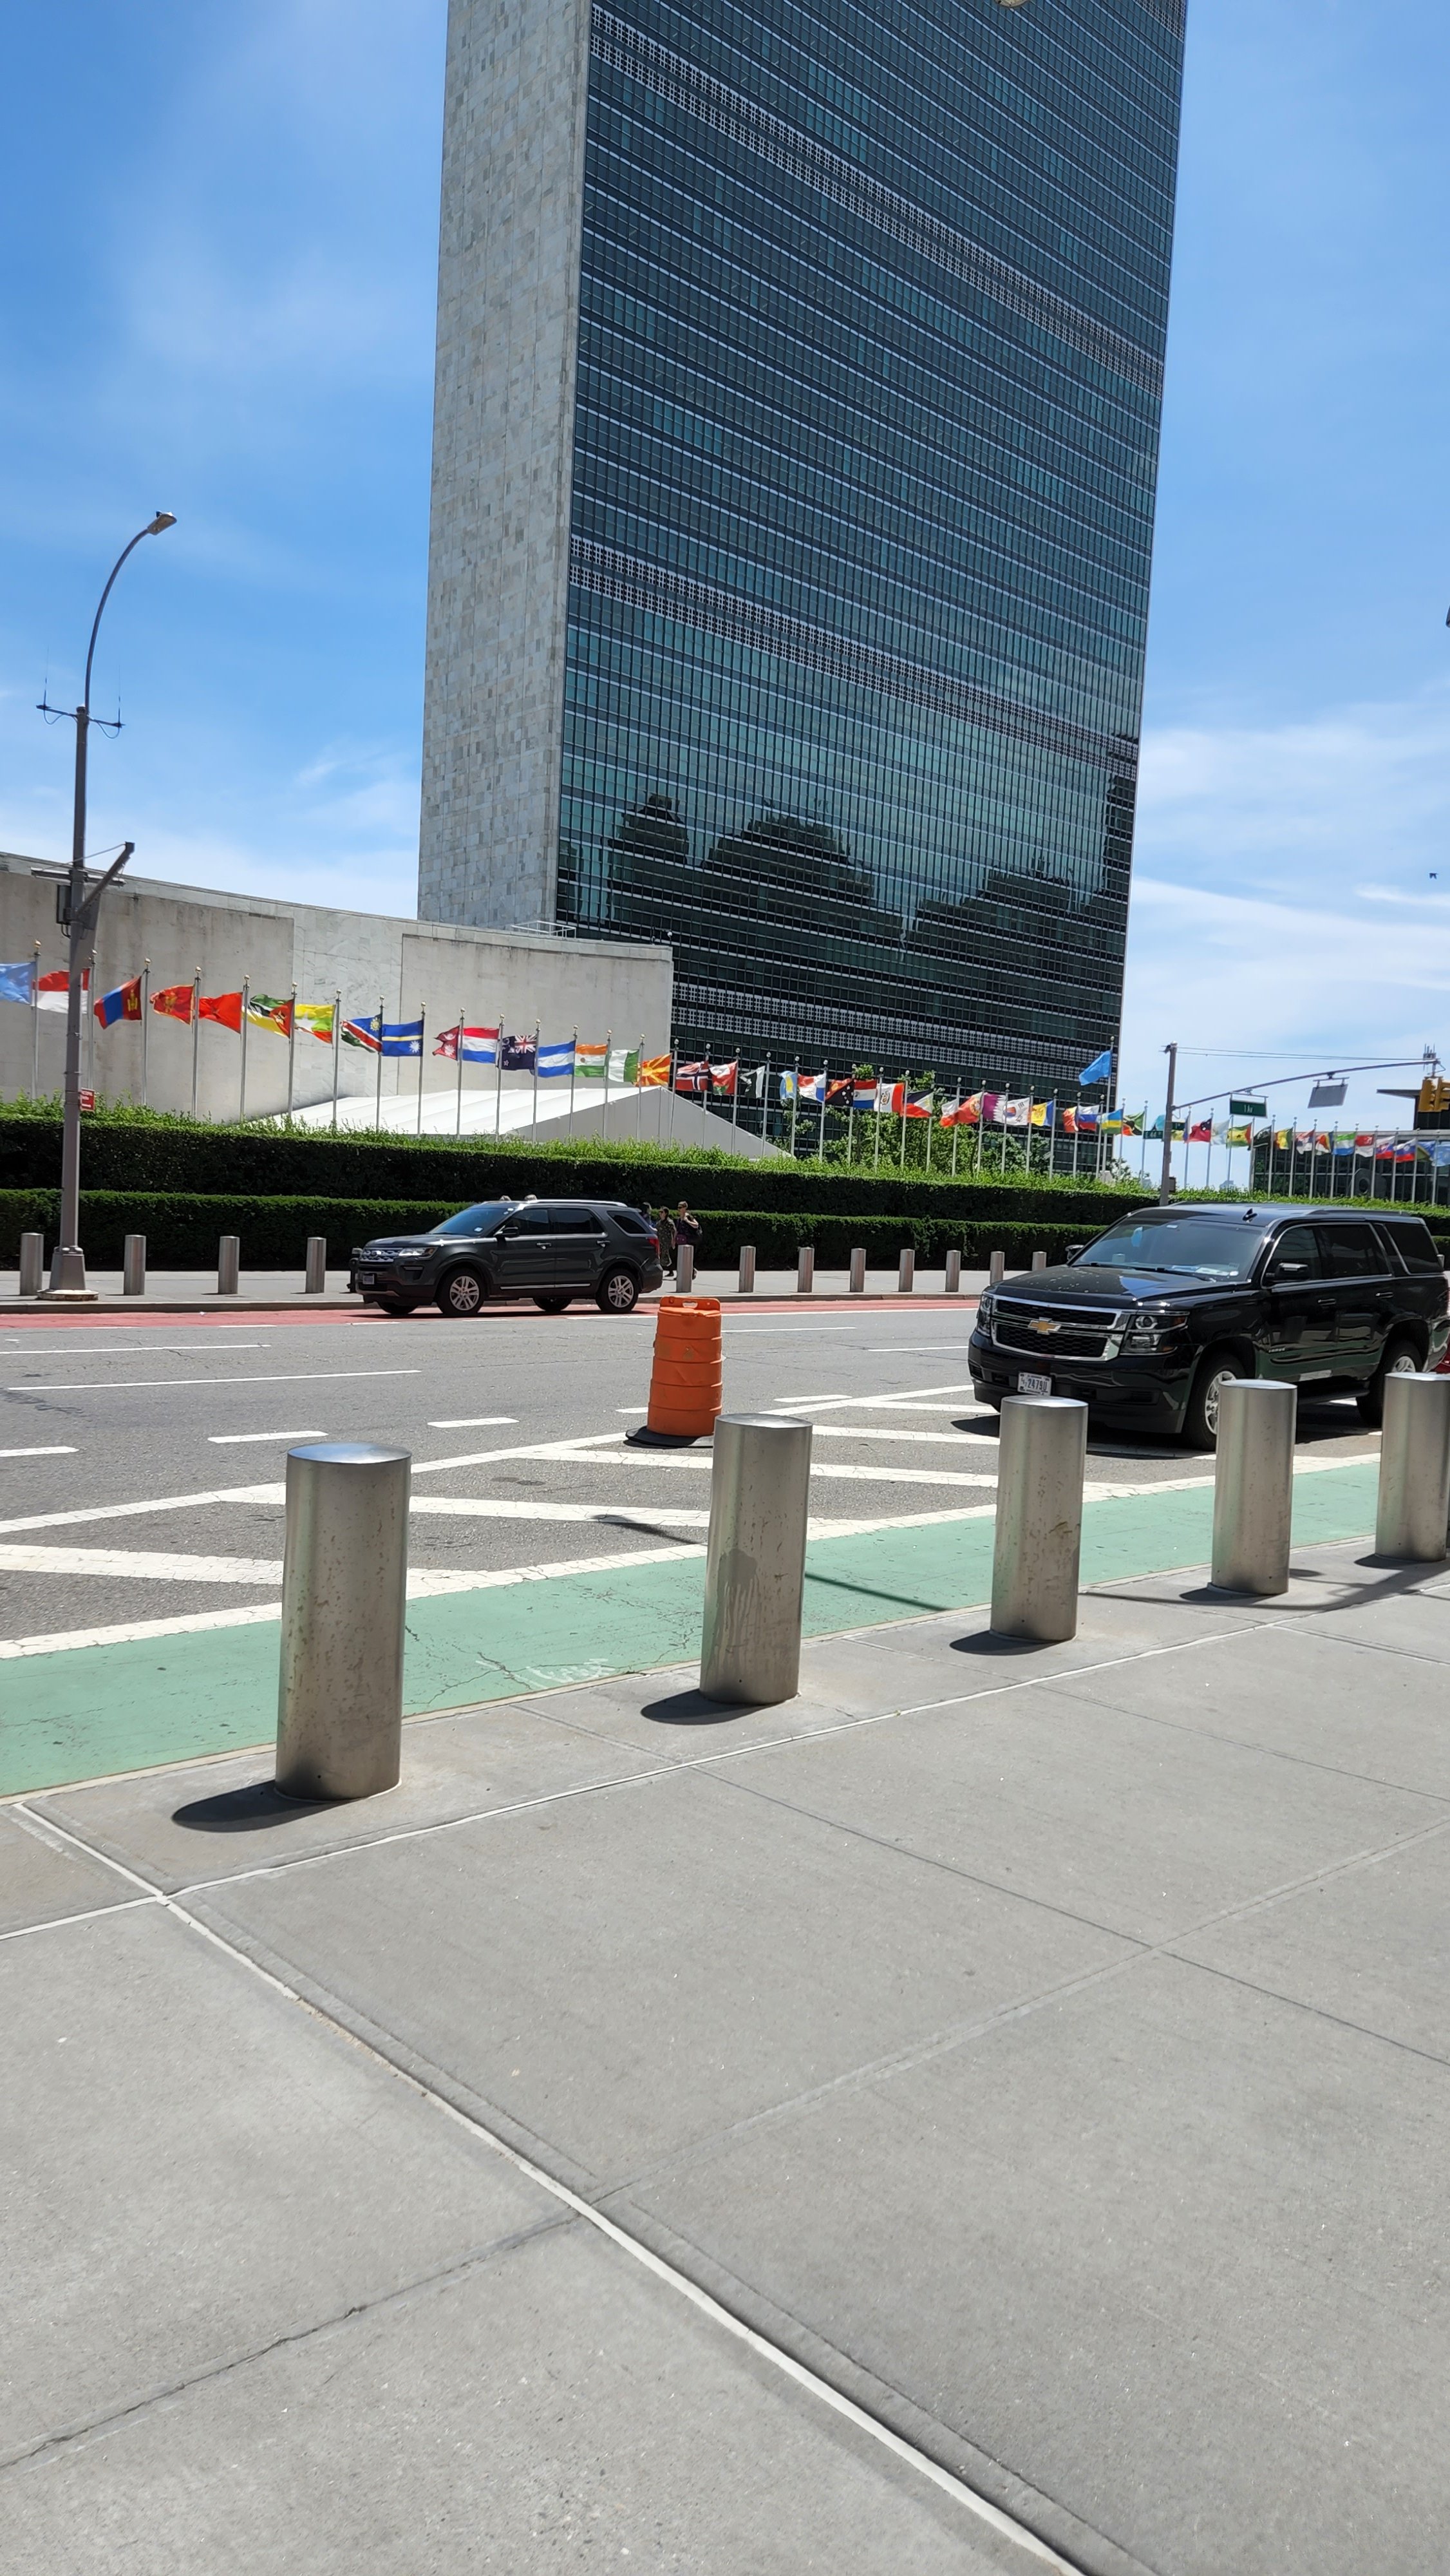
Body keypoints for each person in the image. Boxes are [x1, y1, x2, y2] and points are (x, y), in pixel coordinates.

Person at [674, 1201, 702, 1271]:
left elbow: (696, 1225)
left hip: (690, 1240)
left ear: (685, 1208)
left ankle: (692, 1270)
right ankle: (684, 1272)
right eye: (678, 1207)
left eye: (680, 1207)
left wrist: (687, 1221)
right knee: (682, 1257)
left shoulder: (689, 1217)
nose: (679, 1209)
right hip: (682, 1240)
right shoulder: (679, 1219)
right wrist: (674, 1240)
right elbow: (677, 1231)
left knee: (689, 1257)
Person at [657, 1206, 677, 1273]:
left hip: (667, 1243)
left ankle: (671, 1271)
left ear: (666, 1213)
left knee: (668, 1256)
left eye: (662, 1212)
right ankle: (664, 1271)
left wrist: (673, 1242)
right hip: (661, 1242)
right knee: (662, 1257)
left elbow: (674, 1231)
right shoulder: (659, 1222)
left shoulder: (669, 1222)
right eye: (660, 1212)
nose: (660, 1213)